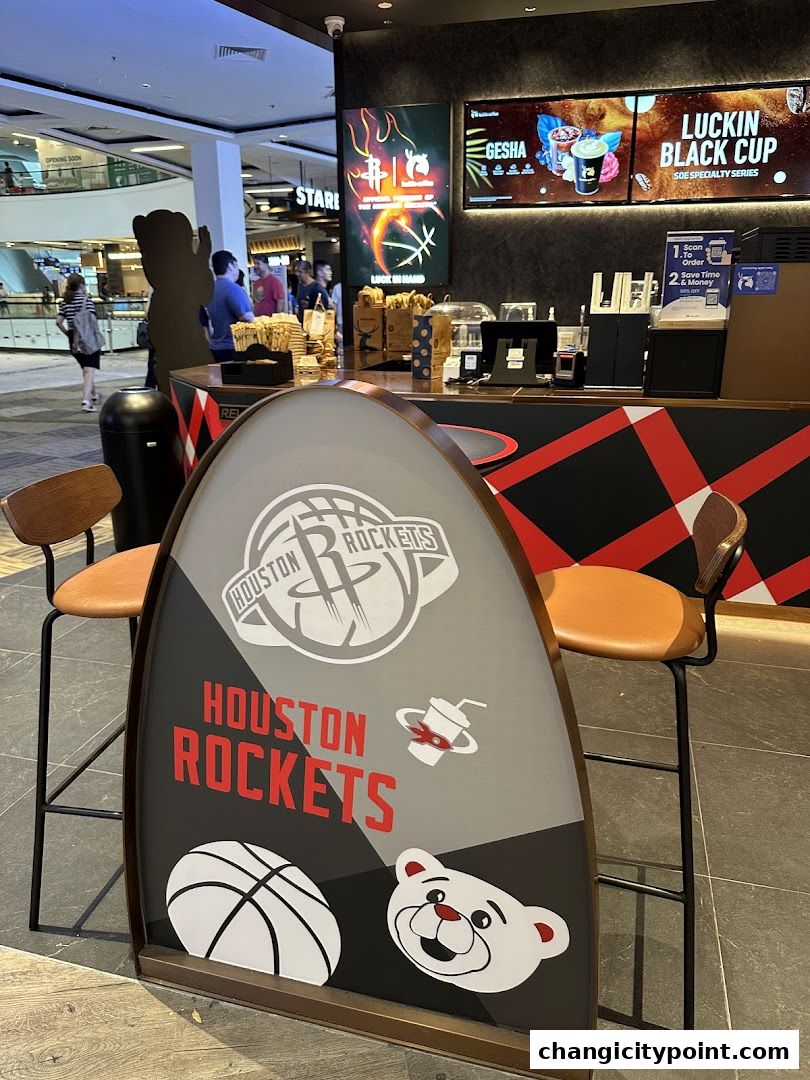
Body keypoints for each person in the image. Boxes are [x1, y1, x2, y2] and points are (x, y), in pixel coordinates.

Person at [55, 273, 101, 412]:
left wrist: (68, 334)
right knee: (89, 369)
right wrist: (96, 332)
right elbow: (92, 319)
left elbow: (58, 321)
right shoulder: (86, 300)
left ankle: (93, 394)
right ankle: (86, 401)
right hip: (88, 338)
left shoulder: (64, 302)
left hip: (73, 339)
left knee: (86, 368)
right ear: (81, 285)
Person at [208, 249, 254, 362]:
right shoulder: (233, 289)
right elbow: (247, 317)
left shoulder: (209, 289)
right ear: (230, 266)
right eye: (236, 265)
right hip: (233, 346)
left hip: (216, 346)